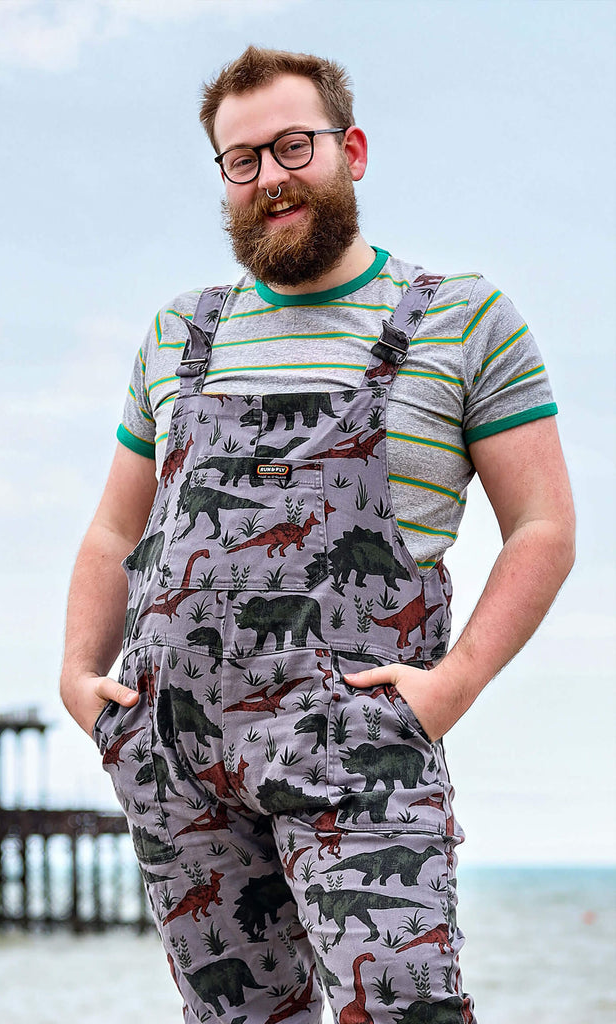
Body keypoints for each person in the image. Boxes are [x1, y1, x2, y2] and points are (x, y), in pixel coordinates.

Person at [60, 46, 575, 1024]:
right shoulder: (181, 332)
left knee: (405, 1009)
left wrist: (450, 688)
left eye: (294, 146)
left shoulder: (461, 319)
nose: (271, 177)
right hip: (180, 762)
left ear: (353, 150)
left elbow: (543, 527)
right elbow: (111, 531)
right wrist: (80, 680)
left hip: (358, 745)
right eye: (242, 160)